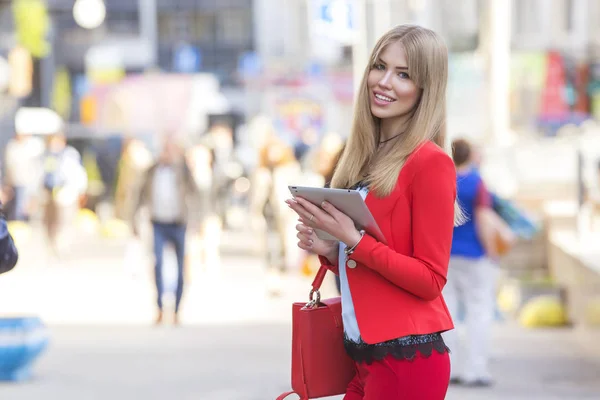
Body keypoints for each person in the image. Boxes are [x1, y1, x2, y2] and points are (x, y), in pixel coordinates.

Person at [287, 24, 461, 399]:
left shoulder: (430, 163)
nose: (384, 82)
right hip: (364, 357)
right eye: (379, 66)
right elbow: (376, 258)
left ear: (425, 89)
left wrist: (353, 239)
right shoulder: (366, 158)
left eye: (403, 74)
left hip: (405, 361)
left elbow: (431, 279)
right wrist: (332, 250)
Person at [442, 138, 499, 387]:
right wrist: (492, 252)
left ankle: (450, 368)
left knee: (448, 312)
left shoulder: (442, 180)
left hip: (444, 255)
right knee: (479, 311)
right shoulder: (477, 183)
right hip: (474, 255)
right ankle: (475, 370)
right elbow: (484, 220)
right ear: (469, 156)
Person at [133, 137, 197, 326]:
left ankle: (177, 309)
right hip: (158, 222)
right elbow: (139, 194)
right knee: (158, 264)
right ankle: (160, 308)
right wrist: (134, 220)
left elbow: (195, 193)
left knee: (180, 267)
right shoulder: (152, 171)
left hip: (178, 222)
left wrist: (196, 219)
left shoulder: (183, 170)